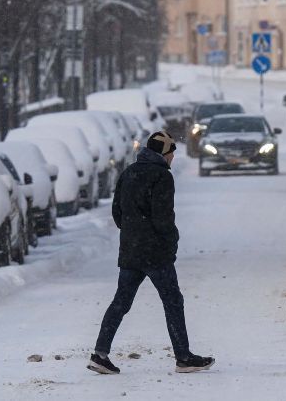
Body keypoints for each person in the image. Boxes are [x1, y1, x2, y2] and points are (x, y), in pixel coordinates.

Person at [89, 131, 214, 375]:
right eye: (171, 154)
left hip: (130, 251)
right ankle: (183, 357)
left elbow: (117, 212)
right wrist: (171, 241)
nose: (172, 159)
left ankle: (100, 354)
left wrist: (133, 232)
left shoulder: (129, 172)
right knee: (173, 301)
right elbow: (163, 218)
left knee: (120, 302)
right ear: (163, 153)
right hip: (155, 253)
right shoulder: (161, 177)